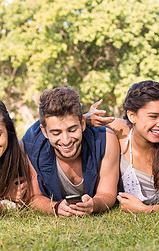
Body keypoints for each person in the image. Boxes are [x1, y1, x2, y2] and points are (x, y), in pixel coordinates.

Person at [86, 81, 159, 213]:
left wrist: (147, 210)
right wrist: (84, 118)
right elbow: (69, 125)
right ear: (132, 116)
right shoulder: (120, 131)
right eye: (153, 116)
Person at [22, 87, 120, 217]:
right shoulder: (31, 143)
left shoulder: (106, 140)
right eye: (56, 133)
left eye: (72, 130)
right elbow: (33, 197)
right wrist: (55, 207)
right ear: (44, 131)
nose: (66, 140)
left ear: (83, 123)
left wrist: (94, 204)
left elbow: (107, 193)